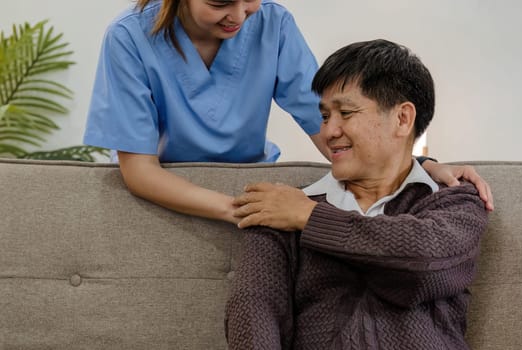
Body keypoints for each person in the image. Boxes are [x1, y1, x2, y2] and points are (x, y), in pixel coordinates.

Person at [83, 0, 493, 227]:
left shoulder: (274, 24)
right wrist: (239, 210)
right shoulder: (129, 38)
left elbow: (331, 124)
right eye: (220, 2)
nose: (240, 15)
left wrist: (419, 166)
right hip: (171, 194)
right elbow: (138, 170)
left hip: (251, 185)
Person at [226, 39, 489, 349]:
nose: (328, 132)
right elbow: (253, 310)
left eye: (346, 113)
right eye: (325, 117)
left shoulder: (456, 201)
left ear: (402, 119)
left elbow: (423, 263)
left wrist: (310, 218)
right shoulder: (277, 211)